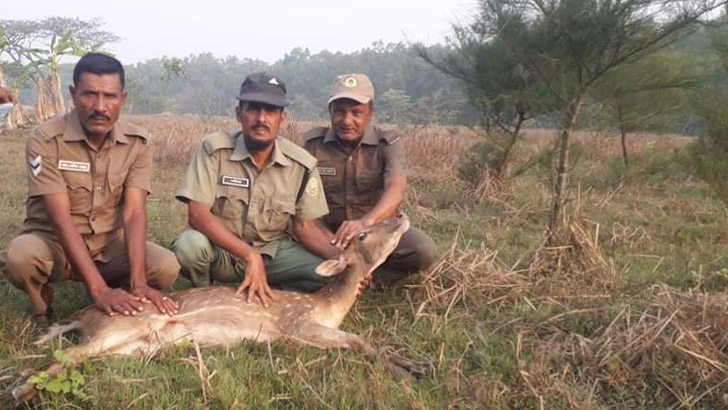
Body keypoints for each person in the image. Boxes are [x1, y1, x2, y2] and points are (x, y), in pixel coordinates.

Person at [0, 53, 180, 327]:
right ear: (73, 94)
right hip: (55, 245)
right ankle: (42, 301)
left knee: (166, 266)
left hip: (107, 247)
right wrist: (98, 289)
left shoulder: (138, 143)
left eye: (109, 96)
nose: (100, 106)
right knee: (20, 257)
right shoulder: (45, 139)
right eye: (89, 95)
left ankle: (121, 288)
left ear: (123, 98)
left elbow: (133, 213)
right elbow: (60, 219)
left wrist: (139, 281)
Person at [171, 72, 339, 306]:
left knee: (332, 275)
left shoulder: (302, 164)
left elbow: (305, 227)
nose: (262, 119)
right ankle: (205, 290)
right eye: (253, 109)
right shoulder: (214, 149)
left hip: (272, 254)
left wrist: (345, 261)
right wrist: (249, 255)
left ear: (282, 118)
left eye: (271, 111)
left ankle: (268, 287)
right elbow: (198, 214)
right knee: (189, 246)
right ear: (239, 114)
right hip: (222, 252)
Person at [303, 74, 437, 287]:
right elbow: (302, 206)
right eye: (340, 112)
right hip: (328, 235)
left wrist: (365, 224)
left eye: (356, 113)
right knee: (291, 257)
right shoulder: (312, 145)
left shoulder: (387, 143)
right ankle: (345, 275)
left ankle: (370, 280)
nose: (347, 121)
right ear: (330, 112)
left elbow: (396, 188)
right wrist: (332, 244)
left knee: (422, 250)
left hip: (375, 231)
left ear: (370, 113)